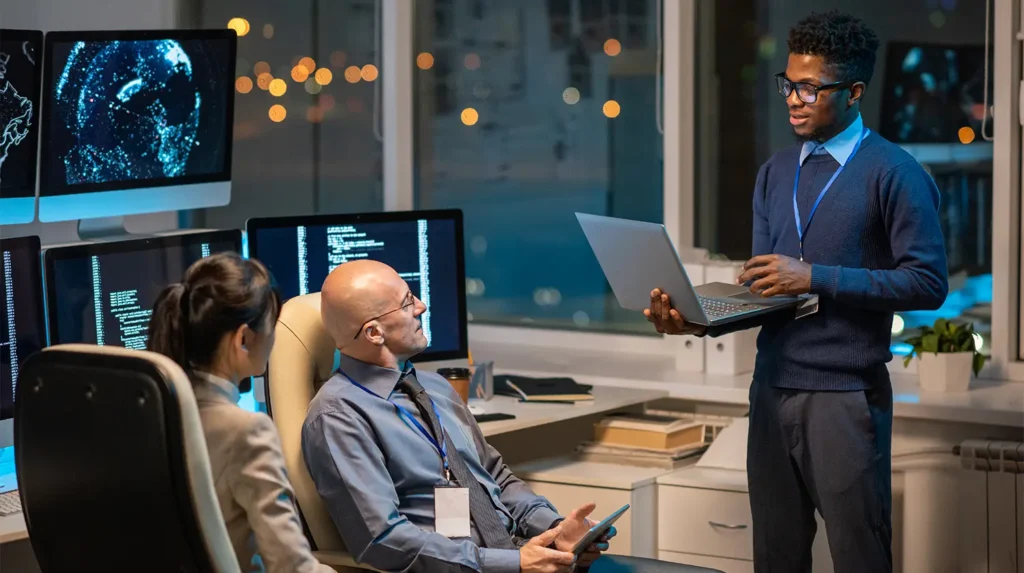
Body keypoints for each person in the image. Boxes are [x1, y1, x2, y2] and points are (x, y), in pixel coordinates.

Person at [646, 10, 948, 573]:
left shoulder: (895, 173)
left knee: (860, 557)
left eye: (811, 87)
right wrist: (694, 321)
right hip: (770, 391)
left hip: (843, 397)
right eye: (788, 83)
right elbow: (769, 291)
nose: (794, 98)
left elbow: (928, 283)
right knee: (776, 559)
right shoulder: (775, 172)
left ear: (854, 92)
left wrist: (814, 276)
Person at [302, 259, 614, 573]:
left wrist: (557, 531)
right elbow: (384, 539)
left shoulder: (435, 387)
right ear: (374, 332)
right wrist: (512, 564)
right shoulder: (338, 416)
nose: (421, 307)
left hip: (513, 554)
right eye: (407, 302)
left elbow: (496, 478)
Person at [148, 252, 334, 573]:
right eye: (272, 327)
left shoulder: (150, 414)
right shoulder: (246, 430)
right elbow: (290, 564)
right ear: (244, 339)